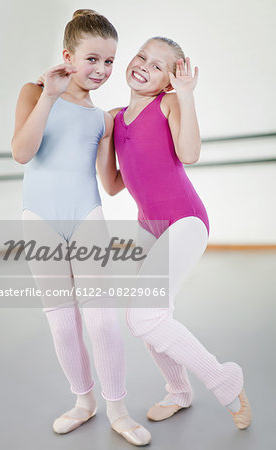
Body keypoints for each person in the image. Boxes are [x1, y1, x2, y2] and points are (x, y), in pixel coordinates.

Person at [11, 9, 151, 446]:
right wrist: (49, 97)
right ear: (68, 56)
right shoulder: (33, 92)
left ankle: (118, 410)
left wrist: (150, 156)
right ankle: (83, 402)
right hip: (40, 220)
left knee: (104, 321)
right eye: (93, 59)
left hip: (87, 217)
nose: (102, 71)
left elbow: (110, 184)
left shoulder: (102, 119)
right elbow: (22, 152)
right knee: (62, 322)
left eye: (109, 62)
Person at [98, 36, 252, 430]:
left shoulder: (166, 102)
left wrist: (186, 96)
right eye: (142, 57)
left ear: (169, 80)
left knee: (143, 317)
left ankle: (225, 380)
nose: (144, 66)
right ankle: (178, 391)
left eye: (158, 66)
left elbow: (189, 154)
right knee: (155, 317)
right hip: (148, 227)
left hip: (185, 221)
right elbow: (114, 184)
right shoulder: (114, 117)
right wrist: (102, 141)